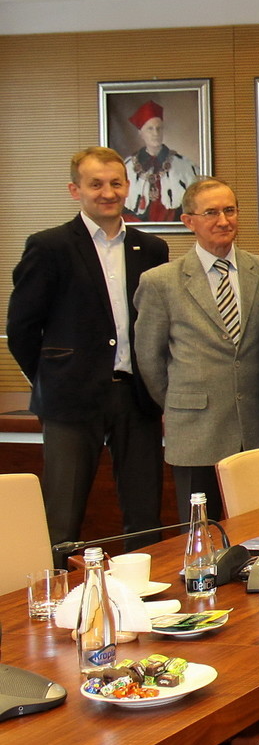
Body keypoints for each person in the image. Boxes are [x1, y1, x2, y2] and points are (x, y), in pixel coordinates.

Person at [7, 147, 168, 544]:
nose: (107, 193)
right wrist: (52, 377)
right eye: (96, 184)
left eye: (115, 183)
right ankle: (56, 585)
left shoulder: (152, 249)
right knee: (62, 518)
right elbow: (22, 328)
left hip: (136, 397)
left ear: (128, 187)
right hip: (70, 398)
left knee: (146, 515)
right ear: (74, 190)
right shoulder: (49, 246)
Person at [133, 177, 259, 515]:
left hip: (257, 426)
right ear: (189, 221)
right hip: (196, 431)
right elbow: (149, 359)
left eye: (230, 210)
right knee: (202, 533)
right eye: (211, 212)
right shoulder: (160, 282)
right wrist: (181, 402)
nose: (223, 221)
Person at [122, 100, 198, 223]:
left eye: (159, 128)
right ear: (140, 133)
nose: (155, 133)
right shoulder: (128, 166)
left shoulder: (183, 165)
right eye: (150, 129)